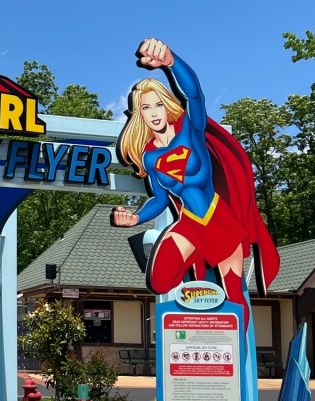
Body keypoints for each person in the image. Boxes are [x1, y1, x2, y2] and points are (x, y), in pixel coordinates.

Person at [110, 39, 279, 334]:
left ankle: (233, 354)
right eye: (146, 107)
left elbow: (195, 94)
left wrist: (171, 61)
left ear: (167, 104)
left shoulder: (190, 129)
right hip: (189, 224)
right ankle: (191, 315)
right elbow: (160, 199)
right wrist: (135, 218)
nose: (154, 112)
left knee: (234, 294)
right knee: (160, 280)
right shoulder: (149, 156)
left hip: (219, 220)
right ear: (140, 114)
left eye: (158, 104)